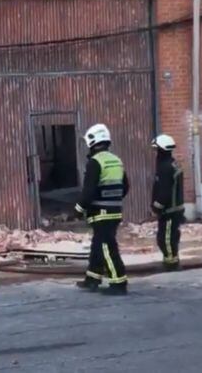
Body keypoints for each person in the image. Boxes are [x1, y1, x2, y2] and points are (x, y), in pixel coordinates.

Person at [74, 123, 130, 296]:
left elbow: (88, 190)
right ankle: (92, 278)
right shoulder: (116, 160)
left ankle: (119, 282)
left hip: (100, 212)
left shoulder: (95, 162)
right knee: (98, 245)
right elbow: (125, 186)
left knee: (106, 246)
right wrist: (112, 199)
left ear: (93, 141)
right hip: (114, 210)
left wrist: (79, 208)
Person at [151, 134, 185, 271]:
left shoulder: (165, 168)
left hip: (169, 211)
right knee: (170, 236)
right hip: (174, 209)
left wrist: (156, 207)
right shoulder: (173, 164)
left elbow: (164, 190)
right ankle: (169, 261)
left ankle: (171, 264)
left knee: (166, 239)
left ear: (162, 150)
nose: (155, 153)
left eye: (156, 150)